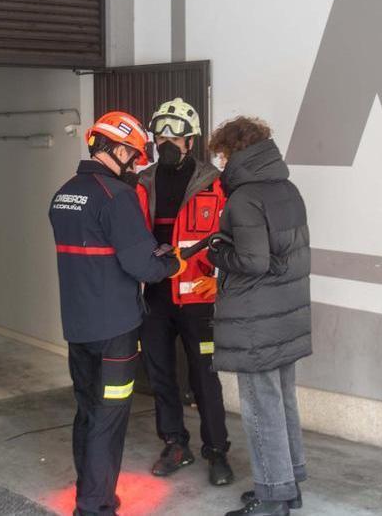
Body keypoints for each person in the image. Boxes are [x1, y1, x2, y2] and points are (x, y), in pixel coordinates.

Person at [49, 111, 184, 516]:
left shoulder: (64, 193)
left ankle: (91, 490)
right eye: (135, 156)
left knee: (87, 410)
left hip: (78, 326)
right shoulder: (117, 197)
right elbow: (144, 265)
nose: (136, 164)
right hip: (116, 331)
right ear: (118, 148)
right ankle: (95, 506)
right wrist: (172, 262)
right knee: (110, 417)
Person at [205, 117, 312, 516]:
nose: (220, 162)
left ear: (235, 152)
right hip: (285, 315)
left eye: (222, 154)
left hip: (256, 319)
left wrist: (216, 252)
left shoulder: (245, 198)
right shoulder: (287, 189)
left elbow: (251, 261)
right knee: (282, 399)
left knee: (259, 407)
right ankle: (289, 485)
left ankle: (272, 499)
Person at [135, 98, 234, 486]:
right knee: (161, 374)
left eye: (176, 133)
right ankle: (176, 442)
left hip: (198, 298)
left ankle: (217, 451)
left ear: (192, 140)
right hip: (156, 297)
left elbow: (230, 236)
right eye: (161, 132)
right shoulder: (143, 181)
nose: (168, 139)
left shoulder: (215, 183)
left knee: (205, 377)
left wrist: (220, 277)